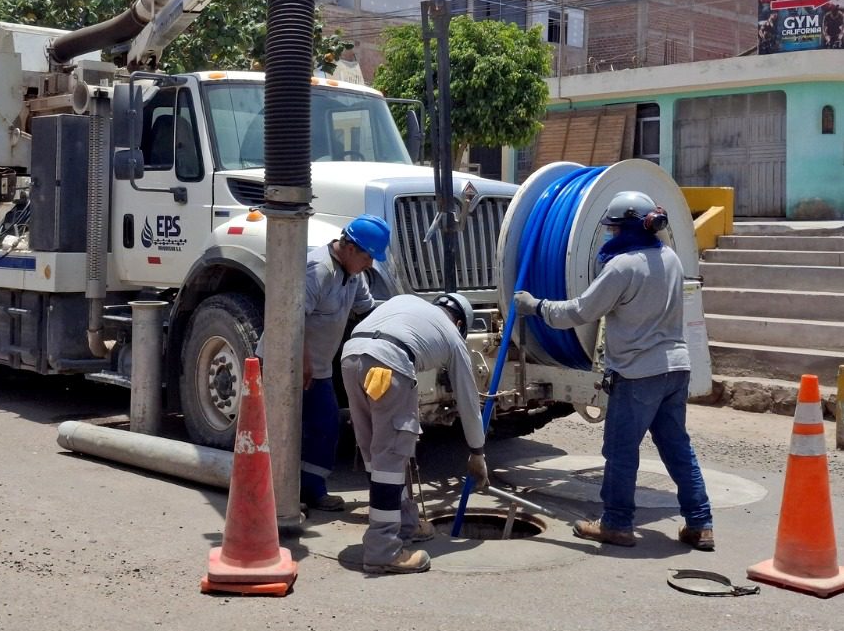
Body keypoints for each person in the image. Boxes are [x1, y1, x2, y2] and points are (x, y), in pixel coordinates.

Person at [514, 190, 714, 551]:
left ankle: (617, 523)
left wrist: (536, 306)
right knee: (677, 447)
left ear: (628, 228)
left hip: (638, 374)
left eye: (614, 229)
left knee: (621, 451)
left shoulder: (622, 267)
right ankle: (700, 523)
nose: (610, 236)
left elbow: (579, 311)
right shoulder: (669, 257)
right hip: (676, 368)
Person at [339, 292, 489, 574]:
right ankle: (383, 549)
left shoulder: (408, 303)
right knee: (393, 453)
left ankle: (406, 524)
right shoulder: (453, 337)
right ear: (459, 324)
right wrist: (477, 451)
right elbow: (468, 401)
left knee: (376, 452)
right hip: (389, 362)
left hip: (351, 357)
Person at [293, 213, 388, 512]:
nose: (370, 264)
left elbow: (367, 310)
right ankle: (281, 496)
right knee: (281, 430)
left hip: (316, 369)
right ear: (349, 247)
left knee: (324, 425)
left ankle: (310, 490)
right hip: (289, 364)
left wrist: (403, 315)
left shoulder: (352, 275)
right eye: (368, 256)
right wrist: (302, 360)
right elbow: (294, 318)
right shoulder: (318, 270)